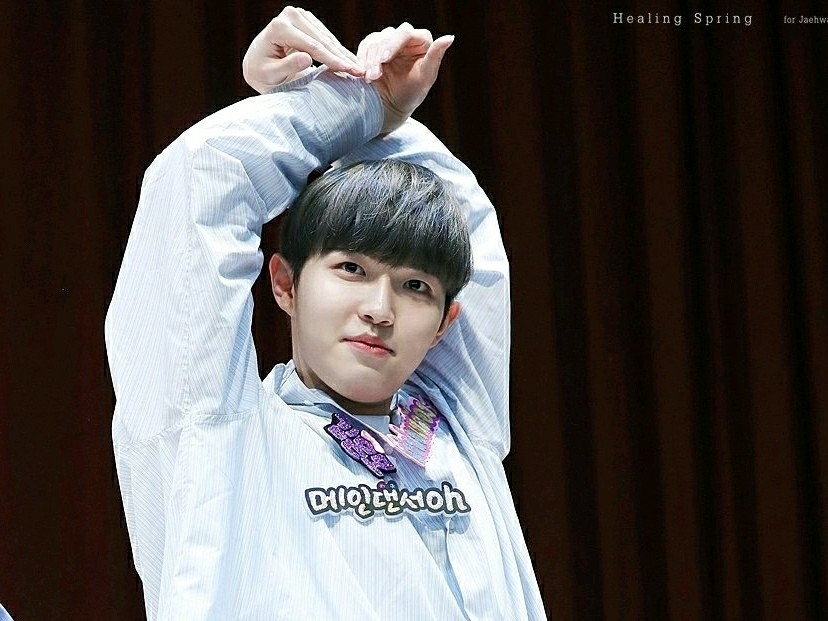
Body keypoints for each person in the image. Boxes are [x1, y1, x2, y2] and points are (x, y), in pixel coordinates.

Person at [106, 7, 546, 620]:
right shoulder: (221, 438)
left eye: (414, 286)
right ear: (285, 284)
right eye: (351, 270)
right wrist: (341, 103)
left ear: (446, 324)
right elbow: (204, 177)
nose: (380, 309)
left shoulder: (459, 425)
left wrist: (386, 107)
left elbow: (462, 221)